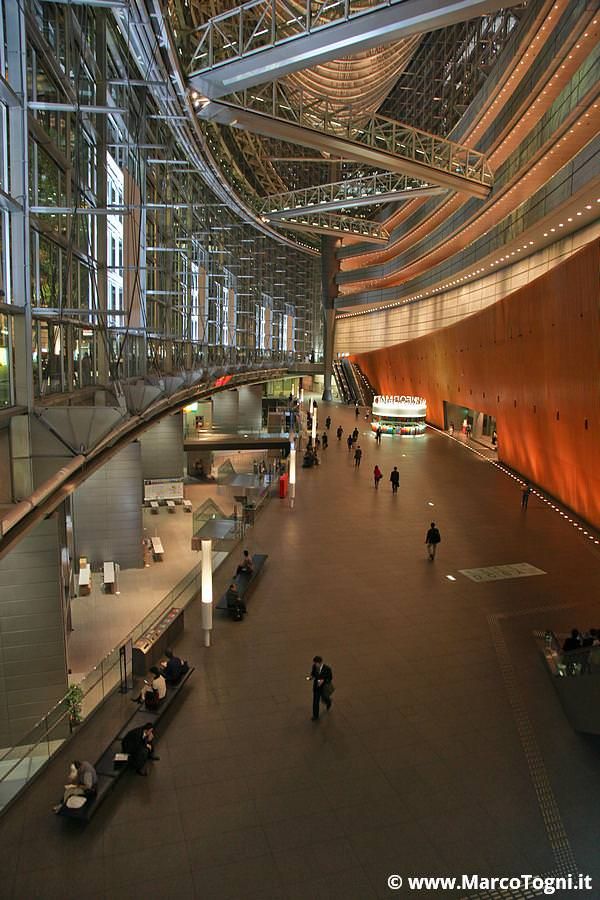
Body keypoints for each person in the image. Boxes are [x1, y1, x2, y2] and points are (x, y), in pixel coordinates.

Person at [307, 655, 333, 721]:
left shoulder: (327, 669)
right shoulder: (314, 667)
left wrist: (323, 680)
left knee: (324, 698)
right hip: (316, 687)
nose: (316, 665)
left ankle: (328, 702)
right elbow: (313, 674)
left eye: (317, 663)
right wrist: (310, 678)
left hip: (324, 688)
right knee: (315, 702)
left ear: (320, 662)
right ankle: (315, 716)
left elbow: (330, 678)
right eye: (315, 663)